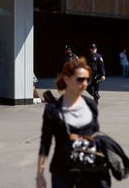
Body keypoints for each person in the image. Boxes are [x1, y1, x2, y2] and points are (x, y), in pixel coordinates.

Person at [36, 58, 109, 188]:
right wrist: (40, 175)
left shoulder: (91, 105)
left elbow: (95, 138)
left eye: (87, 79)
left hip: (87, 170)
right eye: (80, 79)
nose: (85, 84)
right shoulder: (53, 110)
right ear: (66, 79)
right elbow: (45, 144)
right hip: (61, 172)